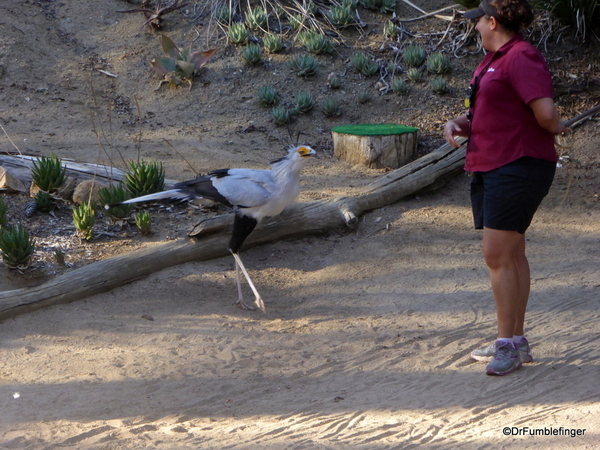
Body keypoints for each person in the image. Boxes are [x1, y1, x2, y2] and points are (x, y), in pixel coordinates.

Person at [444, 0, 569, 376]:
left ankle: (507, 346)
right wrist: (459, 122)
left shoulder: (521, 57)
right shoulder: (494, 59)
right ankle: (515, 341)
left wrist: (556, 127)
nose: (475, 28)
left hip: (516, 166)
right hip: (498, 164)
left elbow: (545, 113)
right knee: (512, 255)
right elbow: (489, 108)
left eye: (478, 21)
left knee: (497, 256)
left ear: (493, 21)